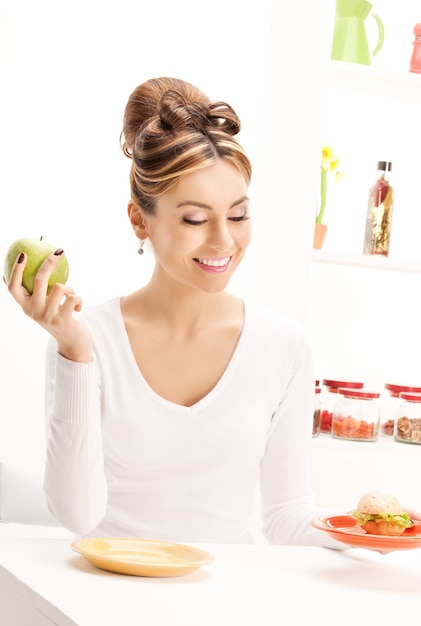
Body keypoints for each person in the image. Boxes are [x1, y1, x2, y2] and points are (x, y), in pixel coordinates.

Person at [6, 77, 341, 548]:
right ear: (140, 220)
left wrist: (363, 530)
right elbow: (78, 516)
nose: (223, 240)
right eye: (195, 219)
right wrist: (75, 351)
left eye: (239, 215)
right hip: (103, 604)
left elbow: (285, 515)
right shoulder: (86, 338)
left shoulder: (283, 346)